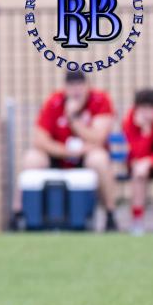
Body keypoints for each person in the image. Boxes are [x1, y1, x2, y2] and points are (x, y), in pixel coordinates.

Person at [22, 71, 116, 231]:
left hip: (86, 156)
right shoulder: (54, 101)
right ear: (65, 88)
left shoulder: (100, 100)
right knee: (32, 158)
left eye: (80, 85)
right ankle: (22, 213)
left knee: (99, 160)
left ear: (87, 86)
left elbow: (98, 138)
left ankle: (110, 213)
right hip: (59, 155)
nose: (76, 90)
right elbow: (40, 140)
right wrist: (66, 152)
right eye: (71, 86)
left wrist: (73, 119)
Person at [121, 89, 153, 235]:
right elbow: (135, 153)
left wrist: (149, 161)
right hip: (138, 164)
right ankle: (137, 220)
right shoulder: (130, 120)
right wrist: (145, 132)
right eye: (143, 108)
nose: (148, 113)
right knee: (138, 172)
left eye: (152, 108)